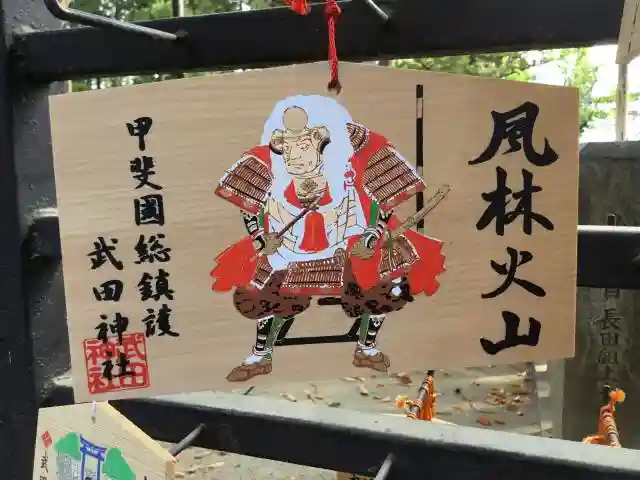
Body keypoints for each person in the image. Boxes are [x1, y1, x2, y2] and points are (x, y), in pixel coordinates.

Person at [211, 95, 445, 382]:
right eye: (287, 147)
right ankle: (261, 355)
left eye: (303, 146)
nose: (293, 156)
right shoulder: (267, 166)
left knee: (387, 278)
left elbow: (383, 203)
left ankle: (367, 347)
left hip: (346, 246)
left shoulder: (353, 162)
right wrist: (261, 238)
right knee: (259, 289)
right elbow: (249, 206)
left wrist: (372, 235)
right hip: (288, 251)